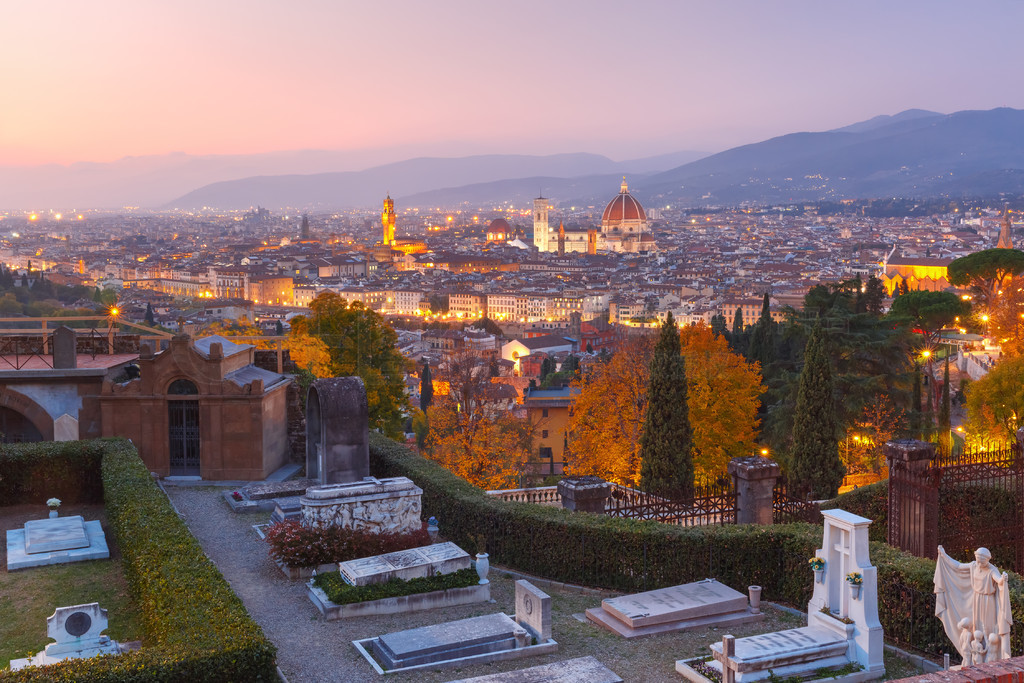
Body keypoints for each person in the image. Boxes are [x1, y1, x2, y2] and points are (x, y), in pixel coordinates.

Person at [934, 546, 1012, 662]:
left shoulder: (992, 570)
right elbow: (958, 566)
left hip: (988, 602)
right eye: (978, 561)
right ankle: (977, 656)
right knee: (977, 627)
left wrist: (1003, 579)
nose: (979, 564)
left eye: (982, 562)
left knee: (988, 628)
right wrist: (944, 556)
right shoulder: (973, 566)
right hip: (976, 600)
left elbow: (998, 580)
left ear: (987, 560)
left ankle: (988, 656)